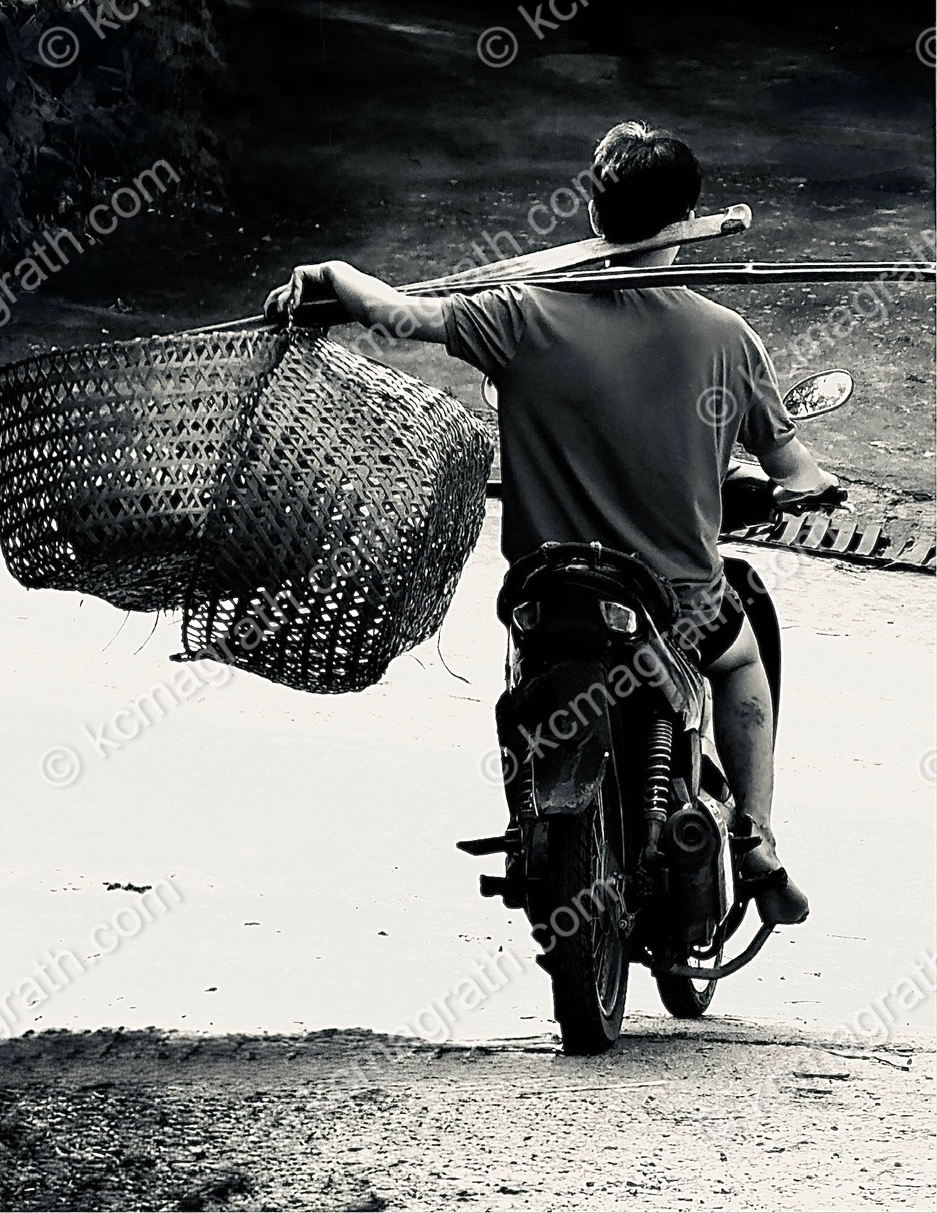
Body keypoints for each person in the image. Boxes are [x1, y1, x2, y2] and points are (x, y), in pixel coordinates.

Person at [264, 120, 839, 925]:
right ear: (688, 217)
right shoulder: (727, 339)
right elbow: (797, 474)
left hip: (549, 590)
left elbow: (400, 316)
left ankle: (532, 816)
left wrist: (330, 272)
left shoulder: (521, 316)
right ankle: (758, 835)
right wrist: (820, 490)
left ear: (596, 213)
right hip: (677, 601)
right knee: (741, 664)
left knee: (524, 682)